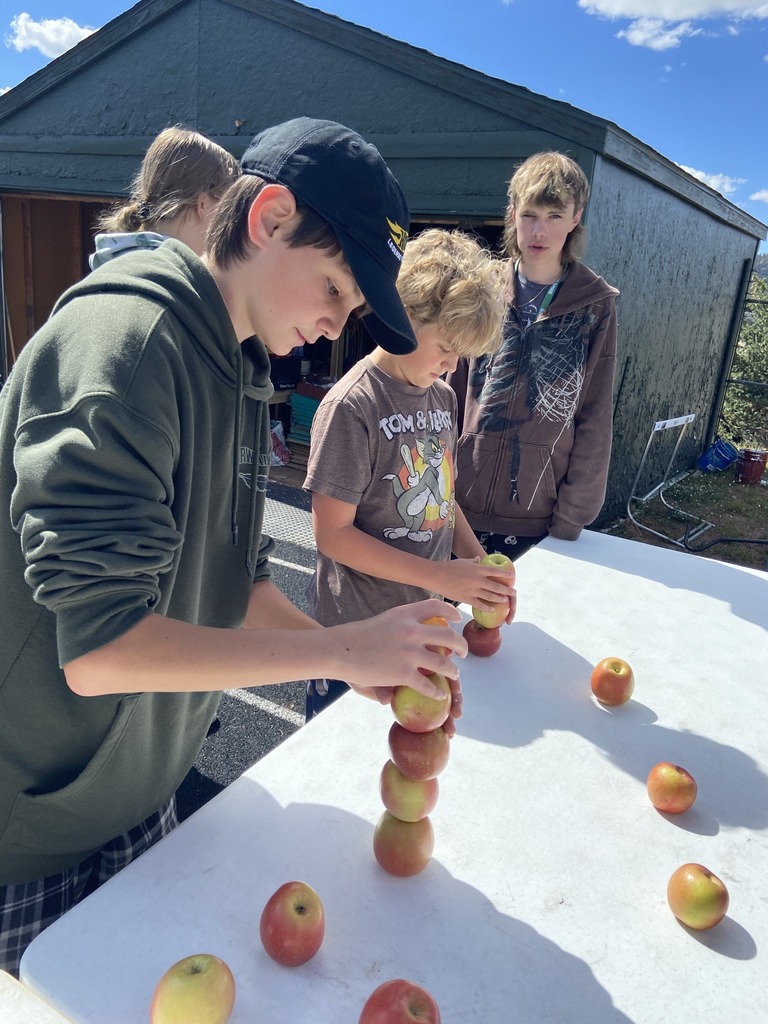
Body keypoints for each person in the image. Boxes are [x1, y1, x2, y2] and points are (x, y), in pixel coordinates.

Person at [0, 117, 468, 976]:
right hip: (29, 832)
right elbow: (100, 651)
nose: (333, 328)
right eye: (333, 287)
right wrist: (339, 644)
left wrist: (355, 665)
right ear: (269, 217)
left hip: (140, 797)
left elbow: (240, 583)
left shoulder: (243, 370)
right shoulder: (127, 348)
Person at [304, 228, 517, 720]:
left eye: (462, 354)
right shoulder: (352, 407)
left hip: (422, 625)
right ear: (402, 316)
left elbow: (443, 498)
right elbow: (332, 536)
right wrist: (442, 576)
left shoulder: (442, 397)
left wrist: (482, 571)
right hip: (353, 638)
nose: (451, 365)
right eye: (446, 346)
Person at [448, 151, 619, 561]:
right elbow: (447, 389)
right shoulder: (482, 287)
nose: (539, 230)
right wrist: (437, 485)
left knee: (514, 624)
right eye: (529, 214)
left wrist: (572, 516)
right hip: (456, 506)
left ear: (576, 217)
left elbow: (594, 413)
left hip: (536, 519)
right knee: (446, 621)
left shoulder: (595, 305)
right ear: (512, 214)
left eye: (554, 216)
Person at [89, 125, 241, 269]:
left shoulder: (114, 262)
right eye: (226, 209)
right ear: (204, 205)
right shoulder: (173, 279)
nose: (227, 225)